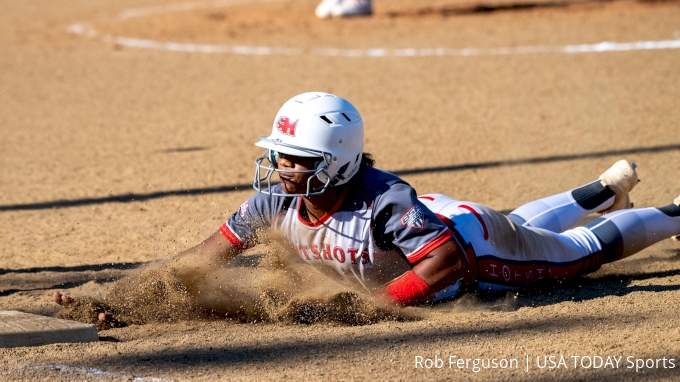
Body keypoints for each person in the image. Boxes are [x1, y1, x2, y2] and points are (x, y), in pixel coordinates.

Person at [55, 92, 680, 314]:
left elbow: (444, 268)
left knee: (574, 254)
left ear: (341, 161)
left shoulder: (384, 200)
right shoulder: (274, 202)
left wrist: (375, 309)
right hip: (440, 222)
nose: (279, 168)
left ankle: (667, 214)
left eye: (295, 158)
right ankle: (599, 189)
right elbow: (204, 256)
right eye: (279, 154)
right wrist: (125, 299)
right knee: (521, 223)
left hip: (473, 248)